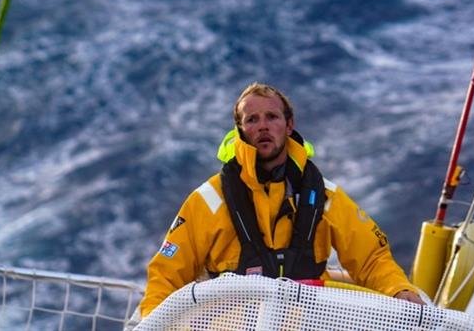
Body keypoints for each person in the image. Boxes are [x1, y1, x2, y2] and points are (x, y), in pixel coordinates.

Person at [140, 82, 422, 317]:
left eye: (272, 117)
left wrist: (400, 290)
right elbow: (166, 275)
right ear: (240, 130)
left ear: (289, 126)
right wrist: (153, 322)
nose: (263, 126)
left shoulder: (324, 197)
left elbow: (371, 257)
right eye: (252, 119)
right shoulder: (208, 201)